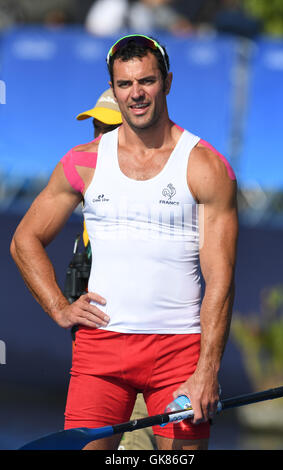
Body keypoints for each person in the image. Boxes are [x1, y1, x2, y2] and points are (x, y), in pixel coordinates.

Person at [10, 34, 238, 450]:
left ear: (167, 82)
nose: (136, 94)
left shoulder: (205, 165)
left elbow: (220, 280)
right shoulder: (84, 160)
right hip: (101, 350)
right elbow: (25, 239)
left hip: (180, 351)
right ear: (114, 89)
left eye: (146, 81)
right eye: (125, 84)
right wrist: (60, 308)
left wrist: (207, 370)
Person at [66, 87, 156, 450]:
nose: (98, 140)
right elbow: (24, 240)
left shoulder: (156, 198)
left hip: (148, 360)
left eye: (108, 129)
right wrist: (62, 307)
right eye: (95, 128)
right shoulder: (91, 187)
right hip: (99, 360)